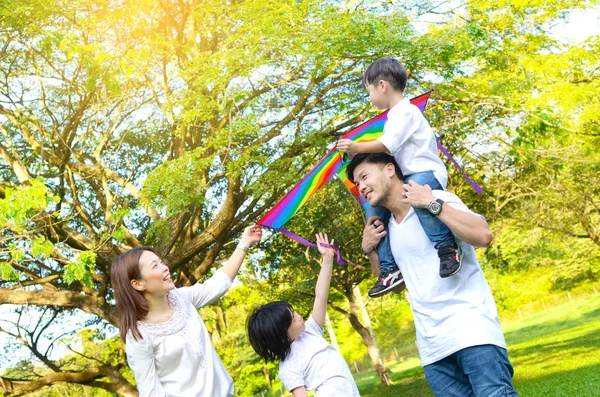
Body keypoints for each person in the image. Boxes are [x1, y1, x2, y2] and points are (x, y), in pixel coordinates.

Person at [346, 152, 518, 396]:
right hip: (432, 347)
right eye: (357, 183)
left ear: (389, 169)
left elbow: (483, 236)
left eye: (364, 177)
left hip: (472, 330)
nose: (361, 187)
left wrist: (432, 204)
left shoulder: (434, 198)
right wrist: (368, 249)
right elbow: (395, 284)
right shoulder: (387, 229)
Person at [338, 57, 460, 298]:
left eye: (369, 90)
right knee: (373, 213)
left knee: (416, 197)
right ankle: (389, 269)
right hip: (409, 175)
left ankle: (447, 248)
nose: (370, 97)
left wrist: (356, 147)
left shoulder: (405, 111)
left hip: (425, 172)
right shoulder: (393, 117)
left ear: (382, 85)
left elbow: (388, 144)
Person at [111, 225, 263, 397]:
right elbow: (150, 392)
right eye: (155, 266)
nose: (164, 267)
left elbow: (218, 284)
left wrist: (244, 242)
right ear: (137, 284)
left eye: (161, 262)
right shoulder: (139, 335)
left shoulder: (182, 299)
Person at [247, 233, 360, 397]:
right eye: (292, 319)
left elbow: (321, 296)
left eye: (293, 312)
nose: (299, 316)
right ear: (283, 336)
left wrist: (328, 259)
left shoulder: (310, 331)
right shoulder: (288, 367)